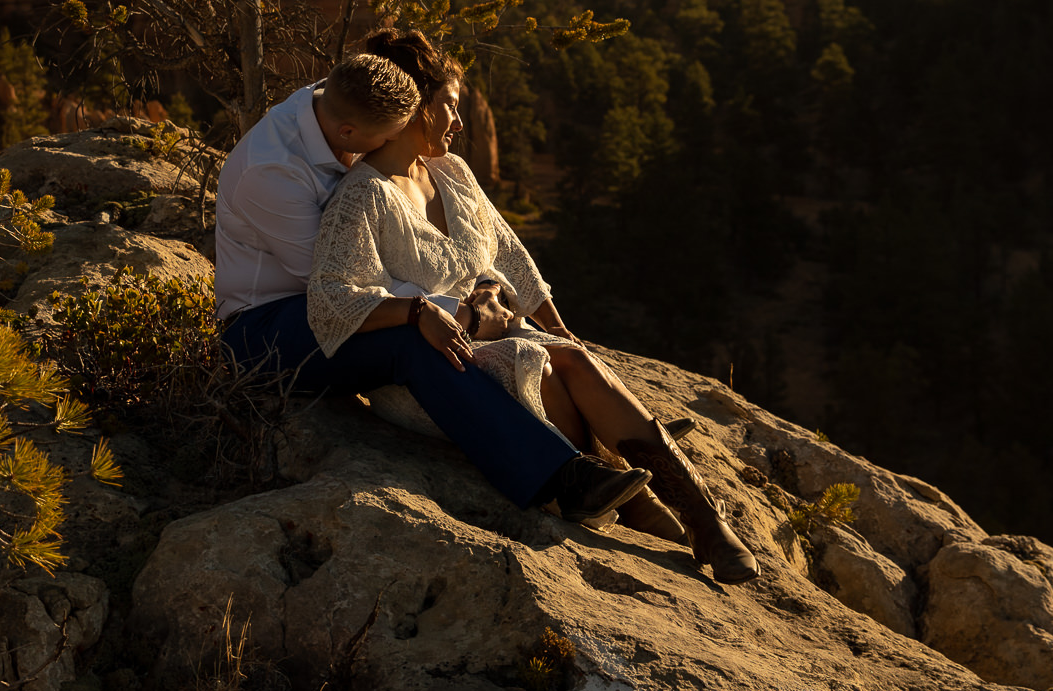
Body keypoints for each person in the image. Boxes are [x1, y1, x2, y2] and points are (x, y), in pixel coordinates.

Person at [308, 30, 761, 584]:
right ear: (417, 107)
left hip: (498, 336)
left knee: (568, 356)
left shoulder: (452, 173)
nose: (459, 120)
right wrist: (418, 311)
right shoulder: (363, 196)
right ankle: (631, 494)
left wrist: (558, 326)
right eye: (450, 105)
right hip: (439, 377)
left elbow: (510, 253)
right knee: (542, 363)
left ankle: (702, 519)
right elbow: (330, 296)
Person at [216, 51, 650, 522]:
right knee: (413, 340)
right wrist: (450, 311)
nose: (393, 149)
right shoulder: (273, 173)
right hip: (265, 329)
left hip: (322, 301)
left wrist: (479, 291)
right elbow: (337, 289)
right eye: (387, 140)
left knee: (433, 329)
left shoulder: (340, 97)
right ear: (350, 136)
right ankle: (558, 479)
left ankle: (622, 444)